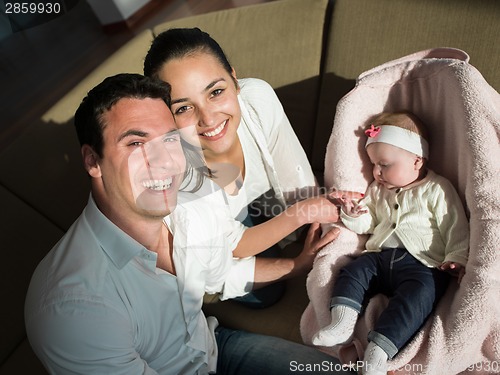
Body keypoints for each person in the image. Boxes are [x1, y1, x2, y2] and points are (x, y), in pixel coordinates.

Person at [24, 73, 353, 374]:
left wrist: (297, 264)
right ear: (92, 160)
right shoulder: (74, 309)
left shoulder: (187, 204)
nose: (164, 162)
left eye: (169, 139)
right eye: (136, 143)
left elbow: (221, 271)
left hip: (215, 349)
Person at [143, 27, 360, 307]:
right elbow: (229, 245)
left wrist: (322, 226)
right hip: (214, 239)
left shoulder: (257, 98)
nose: (208, 119)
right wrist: (297, 251)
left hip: (260, 207)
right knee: (265, 295)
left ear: (234, 80)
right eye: (184, 108)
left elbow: (296, 175)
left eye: (216, 92)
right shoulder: (175, 170)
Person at [311, 112, 470, 374]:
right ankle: (341, 323)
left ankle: (378, 352)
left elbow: (454, 226)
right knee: (353, 270)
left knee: (418, 298)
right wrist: (353, 213)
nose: (376, 172)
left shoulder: (438, 189)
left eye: (384, 165)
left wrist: (456, 257)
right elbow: (368, 225)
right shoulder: (377, 189)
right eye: (373, 165)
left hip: (423, 265)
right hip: (379, 257)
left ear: (416, 161)